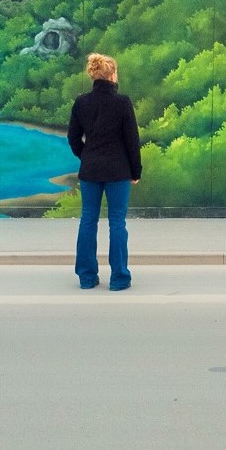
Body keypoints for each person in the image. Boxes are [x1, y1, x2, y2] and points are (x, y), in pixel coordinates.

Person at [68, 53, 142, 290]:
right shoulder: (122, 102)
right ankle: (119, 278)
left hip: (90, 170)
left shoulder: (81, 102)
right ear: (112, 75)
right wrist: (135, 170)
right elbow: (132, 140)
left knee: (88, 220)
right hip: (118, 170)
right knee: (117, 222)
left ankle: (87, 277)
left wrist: (86, 155)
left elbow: (73, 138)